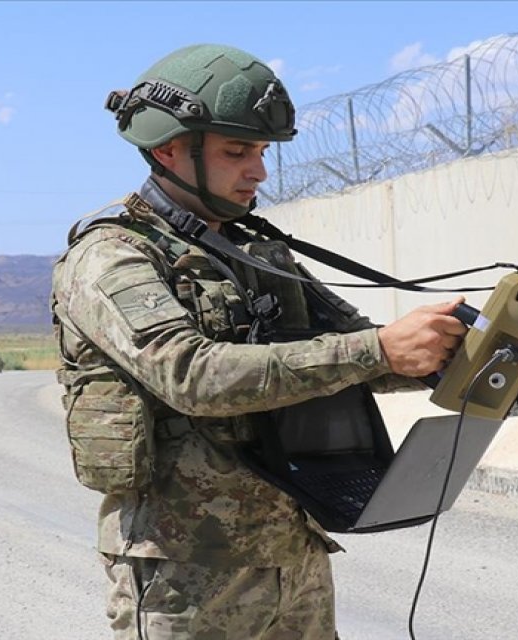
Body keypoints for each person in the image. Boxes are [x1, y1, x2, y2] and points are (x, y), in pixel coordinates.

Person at [51, 43, 467, 638]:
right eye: (237, 151)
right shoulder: (113, 254)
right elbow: (189, 375)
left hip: (291, 550)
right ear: (168, 148)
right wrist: (377, 351)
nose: (259, 171)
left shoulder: (253, 251)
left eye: (262, 151)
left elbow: (353, 350)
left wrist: (449, 351)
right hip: (184, 567)